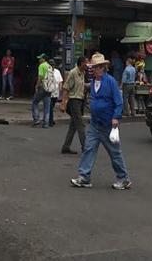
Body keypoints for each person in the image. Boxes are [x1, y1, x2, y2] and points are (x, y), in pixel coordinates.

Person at [71, 52, 131, 190]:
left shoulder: (110, 81)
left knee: (115, 153)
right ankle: (84, 177)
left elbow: (119, 101)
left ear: (103, 67)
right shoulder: (93, 82)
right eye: (93, 67)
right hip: (95, 123)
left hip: (108, 124)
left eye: (97, 67)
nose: (94, 69)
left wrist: (116, 117)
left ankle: (124, 178)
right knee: (88, 149)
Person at [60, 56, 87, 154]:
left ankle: (66, 146)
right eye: (85, 63)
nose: (86, 65)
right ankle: (85, 146)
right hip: (74, 100)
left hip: (80, 100)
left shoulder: (82, 73)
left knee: (73, 125)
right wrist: (63, 103)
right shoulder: (73, 73)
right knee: (80, 124)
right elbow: (66, 88)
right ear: (81, 63)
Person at [31, 53, 54, 128]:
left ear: (43, 59)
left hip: (42, 87)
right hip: (49, 88)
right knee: (47, 106)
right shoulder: (49, 66)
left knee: (35, 102)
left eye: (40, 58)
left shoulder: (42, 66)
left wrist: (37, 86)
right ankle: (45, 123)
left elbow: (40, 77)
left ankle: (36, 118)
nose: (39, 59)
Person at [48, 59, 63, 126]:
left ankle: (49, 119)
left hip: (56, 93)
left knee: (52, 106)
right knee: (50, 106)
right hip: (49, 92)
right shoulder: (47, 72)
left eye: (53, 65)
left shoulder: (57, 72)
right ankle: (50, 121)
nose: (52, 66)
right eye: (51, 65)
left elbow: (60, 81)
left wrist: (60, 89)